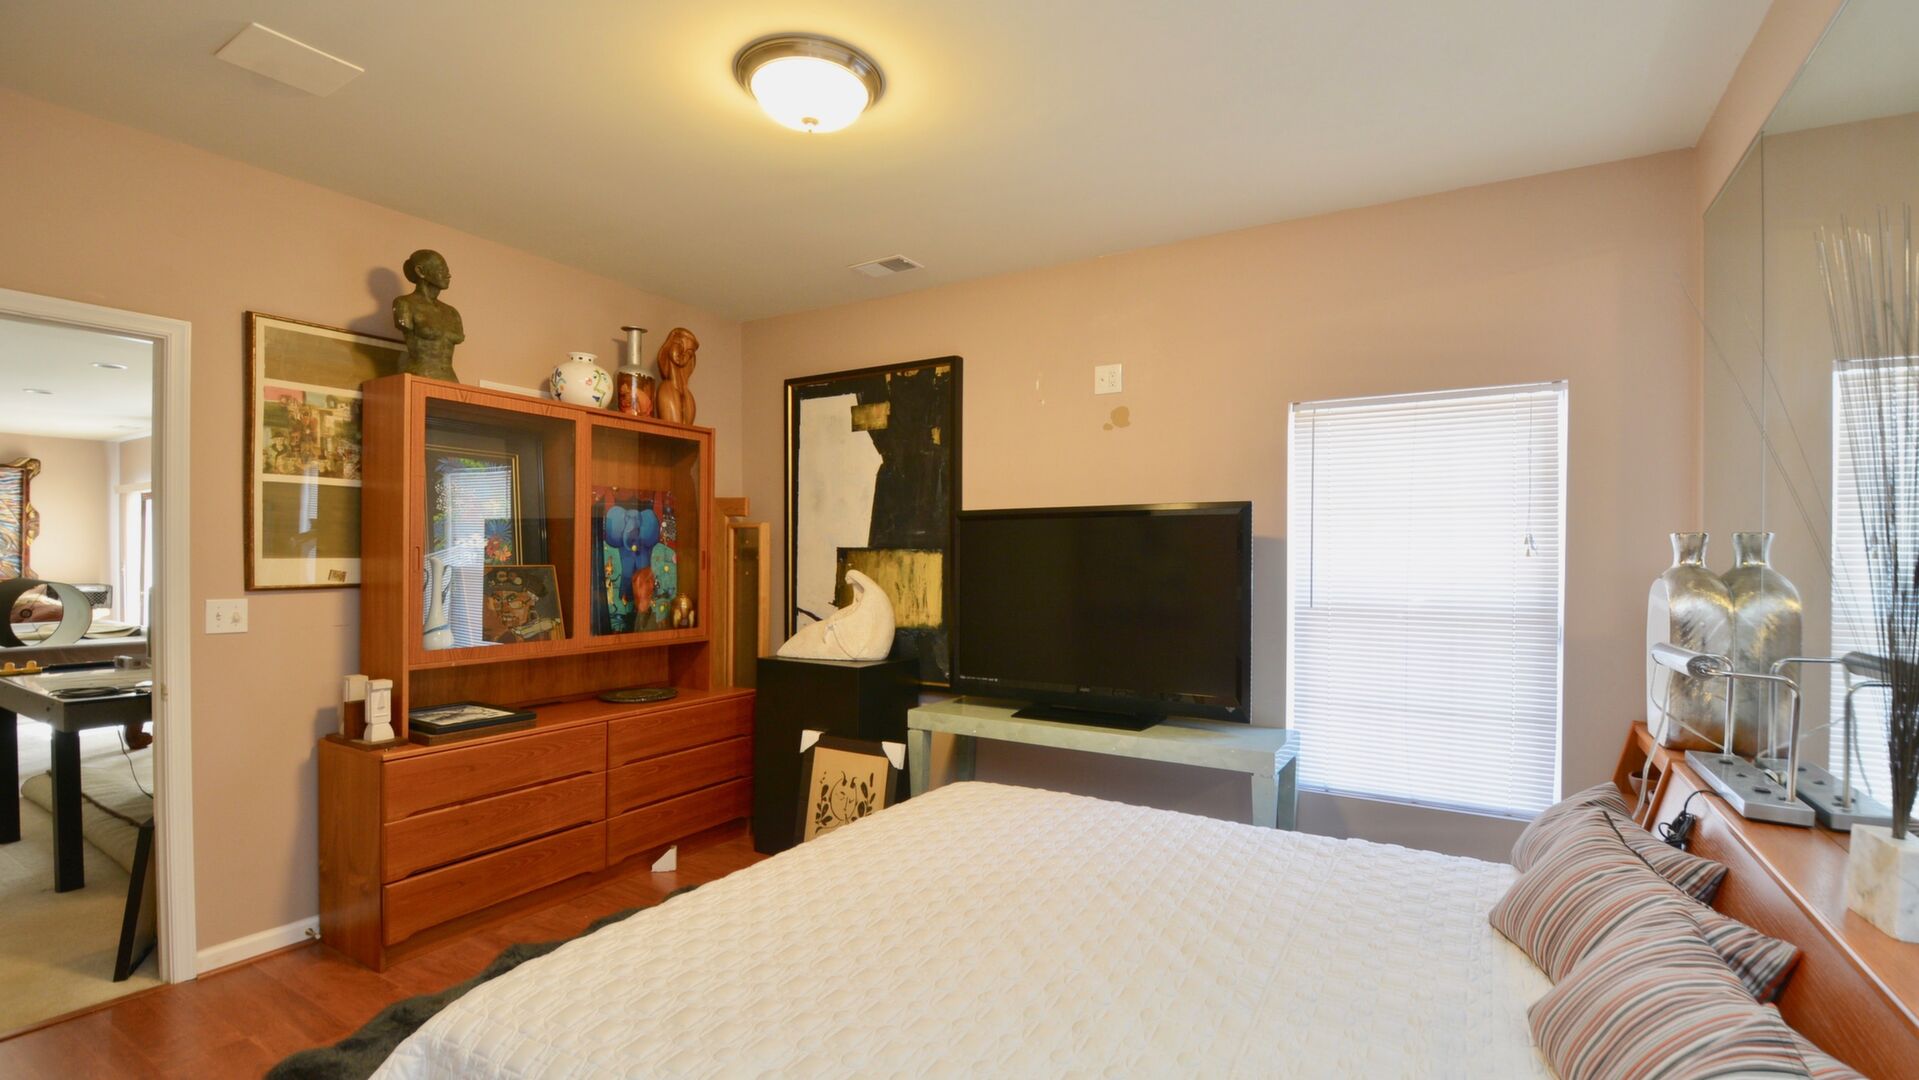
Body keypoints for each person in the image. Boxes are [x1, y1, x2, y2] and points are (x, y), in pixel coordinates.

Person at [393, 249, 464, 381]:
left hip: (451, 379)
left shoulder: (452, 312)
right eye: (442, 269)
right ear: (421, 271)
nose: (448, 275)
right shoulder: (404, 304)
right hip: (420, 375)